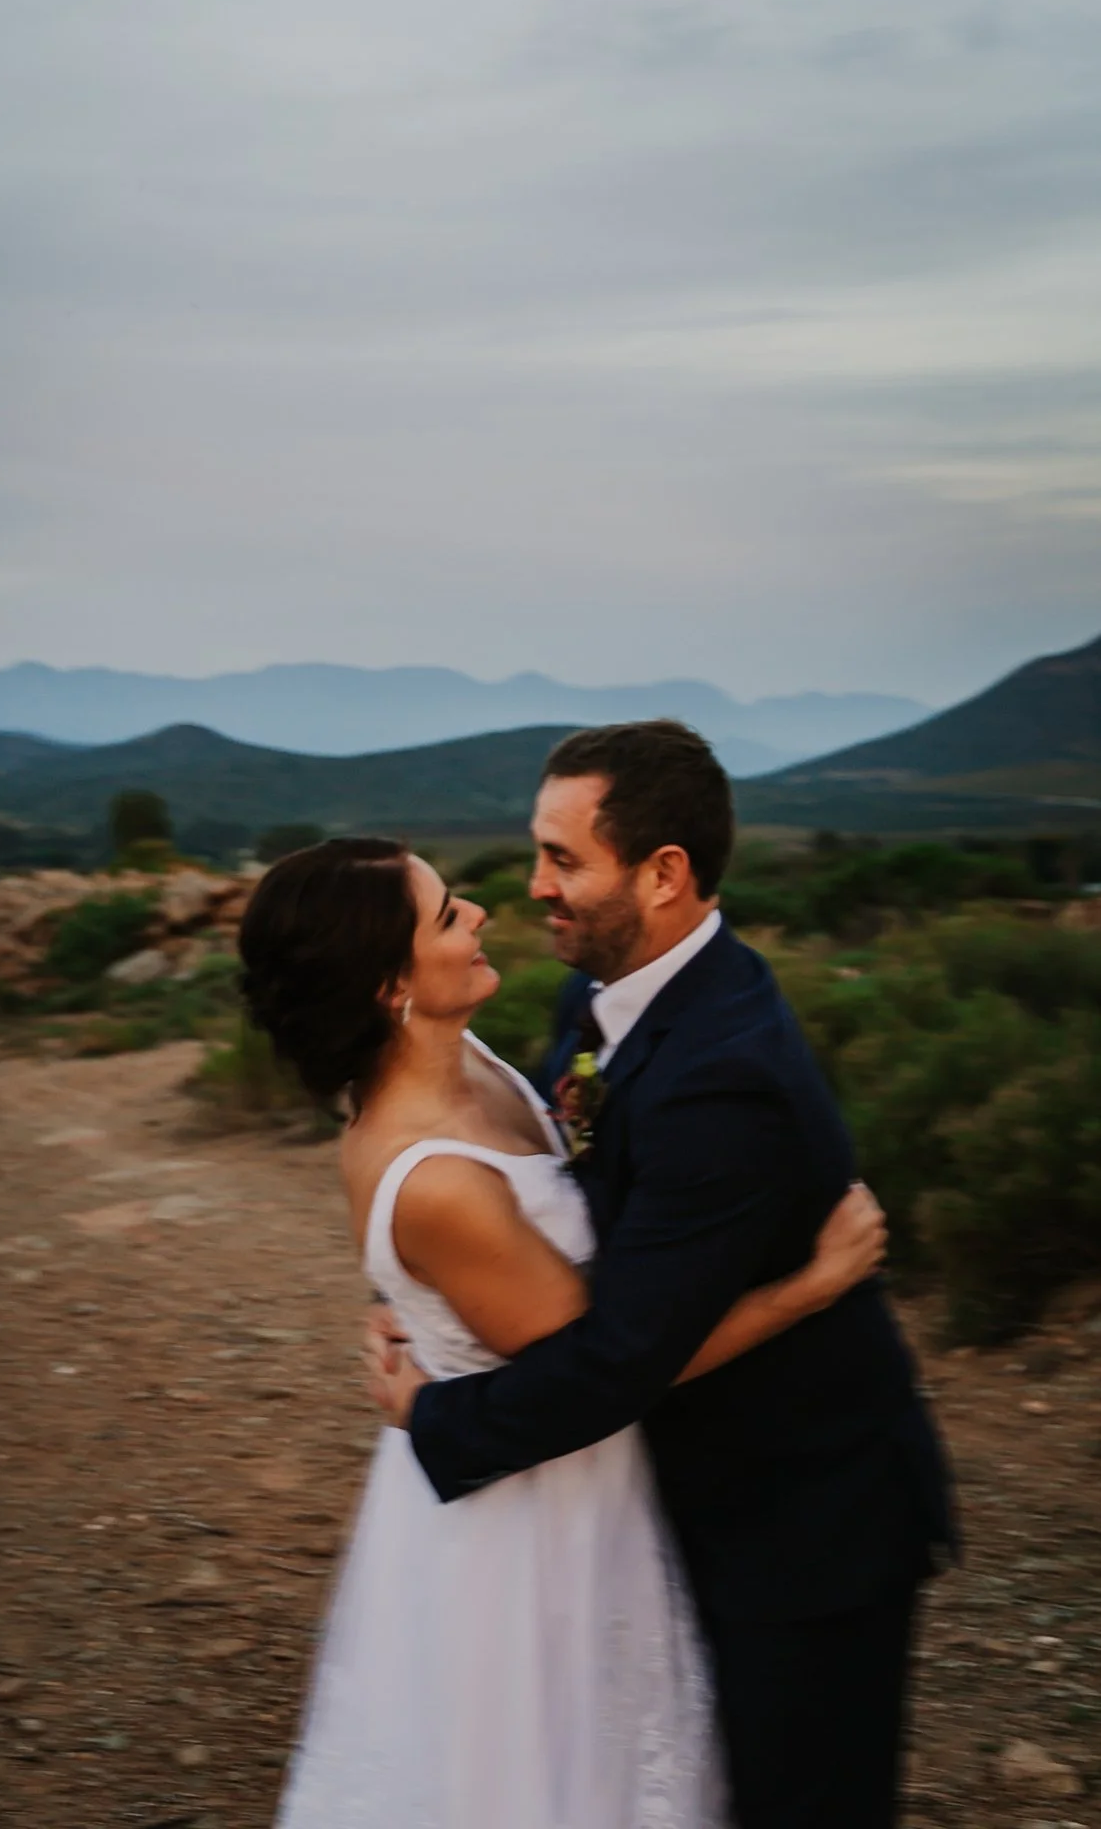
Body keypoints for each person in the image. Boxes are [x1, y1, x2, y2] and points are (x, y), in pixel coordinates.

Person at [367, 722, 957, 1829]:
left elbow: (624, 1354)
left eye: (564, 858)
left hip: (802, 1524)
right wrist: (431, 1288)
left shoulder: (722, 1074)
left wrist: (441, 1414)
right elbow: (544, 1187)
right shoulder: (600, 993)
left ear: (666, 873)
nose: (535, 885)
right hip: (673, 1500)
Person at [239, 829, 891, 1829]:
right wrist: (807, 1286)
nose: (482, 914)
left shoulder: (476, 1064)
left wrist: (421, 1313)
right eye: (448, 913)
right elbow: (618, 1365)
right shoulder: (437, 1175)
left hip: (567, 1468)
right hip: (535, 1518)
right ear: (387, 985)